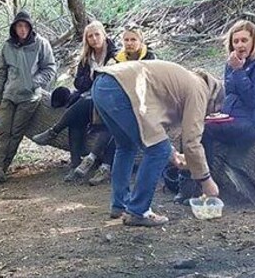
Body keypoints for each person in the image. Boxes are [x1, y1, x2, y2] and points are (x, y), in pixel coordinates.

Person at [91, 60, 222, 227]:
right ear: (215, 101)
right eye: (212, 111)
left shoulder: (187, 80)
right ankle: (138, 211)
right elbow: (191, 142)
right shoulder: (200, 91)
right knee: (158, 150)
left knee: (126, 146)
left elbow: (156, 123)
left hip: (102, 84)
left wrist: (173, 154)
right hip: (121, 89)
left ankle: (120, 205)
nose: (208, 114)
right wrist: (207, 181)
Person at [31, 21, 118, 180]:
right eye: (90, 36)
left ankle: (54, 131)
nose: (94, 39)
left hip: (108, 101)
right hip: (90, 99)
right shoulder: (87, 57)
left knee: (84, 102)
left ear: (104, 35)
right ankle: (75, 165)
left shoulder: (116, 55)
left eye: (97, 34)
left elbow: (112, 82)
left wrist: (94, 81)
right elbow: (78, 82)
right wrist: (93, 80)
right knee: (76, 120)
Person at [74, 25, 158, 184]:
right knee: (114, 122)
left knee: (121, 126)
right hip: (123, 101)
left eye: (133, 39)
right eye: (126, 39)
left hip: (144, 103)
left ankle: (101, 163)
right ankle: (95, 161)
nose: (129, 43)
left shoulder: (150, 58)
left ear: (141, 41)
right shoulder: (118, 58)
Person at [0, 11, 56, 184]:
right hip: (9, 95)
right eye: (19, 26)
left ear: (30, 27)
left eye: (25, 26)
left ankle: (3, 168)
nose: (22, 30)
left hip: (29, 97)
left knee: (16, 133)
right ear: (14, 28)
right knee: (3, 132)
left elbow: (50, 68)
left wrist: (33, 82)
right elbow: (0, 73)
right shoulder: (8, 46)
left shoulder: (41, 44)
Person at [202, 20, 255, 166]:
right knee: (196, 124)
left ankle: (205, 179)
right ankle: (185, 175)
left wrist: (238, 71)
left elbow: (252, 99)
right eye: (235, 41)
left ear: (254, 41)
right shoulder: (232, 62)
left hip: (253, 123)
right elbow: (229, 94)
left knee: (204, 131)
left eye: (244, 40)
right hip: (232, 118)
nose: (240, 45)